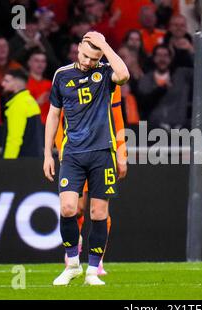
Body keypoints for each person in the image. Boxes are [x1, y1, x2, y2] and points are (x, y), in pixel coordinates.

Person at [43, 31, 129, 286]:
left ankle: (93, 270)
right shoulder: (62, 75)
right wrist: (48, 153)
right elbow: (53, 116)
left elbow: (124, 75)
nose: (87, 61)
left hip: (102, 152)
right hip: (72, 154)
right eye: (84, 54)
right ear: (78, 47)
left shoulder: (104, 75)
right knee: (69, 208)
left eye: (93, 58)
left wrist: (105, 45)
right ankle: (72, 264)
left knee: (98, 212)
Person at [1, 68, 44, 159]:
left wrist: (6, 165)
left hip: (19, 164)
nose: (2, 84)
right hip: (34, 161)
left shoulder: (18, 104)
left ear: (16, 83)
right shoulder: (31, 101)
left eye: (6, 81)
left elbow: (14, 139)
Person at [26, 49, 52, 124]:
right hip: (32, 126)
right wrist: (37, 103)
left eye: (43, 61)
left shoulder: (50, 84)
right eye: (36, 61)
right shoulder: (24, 84)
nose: (40, 64)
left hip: (49, 127)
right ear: (29, 63)